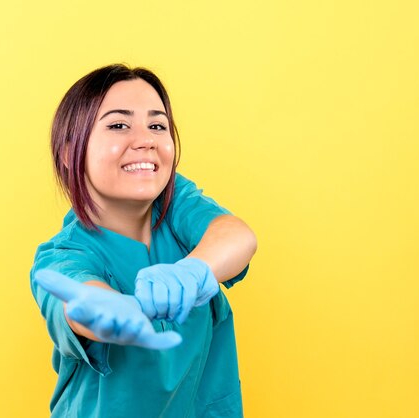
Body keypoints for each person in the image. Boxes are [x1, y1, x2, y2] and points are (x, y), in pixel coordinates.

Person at [30, 64, 257, 417]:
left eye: (157, 125)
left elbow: (236, 236)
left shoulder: (177, 201)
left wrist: (192, 271)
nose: (146, 140)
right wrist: (109, 311)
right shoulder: (63, 256)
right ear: (68, 151)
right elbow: (77, 301)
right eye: (118, 125)